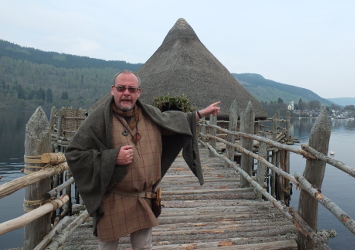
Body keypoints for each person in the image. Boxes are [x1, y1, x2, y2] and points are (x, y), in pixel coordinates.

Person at [65, 70, 220, 250]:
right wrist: (112, 157)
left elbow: (174, 121)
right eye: (122, 88)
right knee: (107, 247)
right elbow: (74, 154)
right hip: (113, 199)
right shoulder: (98, 120)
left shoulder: (150, 114)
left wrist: (201, 113)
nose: (126, 93)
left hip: (144, 198)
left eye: (131, 89)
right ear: (113, 90)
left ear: (139, 92)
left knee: (143, 247)